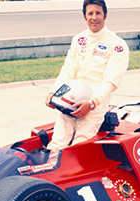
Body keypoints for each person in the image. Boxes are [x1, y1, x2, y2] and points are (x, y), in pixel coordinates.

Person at [45, 0, 129, 152]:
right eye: (90, 13)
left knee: (79, 146)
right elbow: (68, 70)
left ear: (105, 15)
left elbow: (111, 81)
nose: (94, 17)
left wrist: (91, 103)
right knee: (57, 144)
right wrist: (54, 92)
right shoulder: (79, 40)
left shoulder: (117, 44)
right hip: (70, 99)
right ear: (84, 16)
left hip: (95, 104)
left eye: (98, 13)